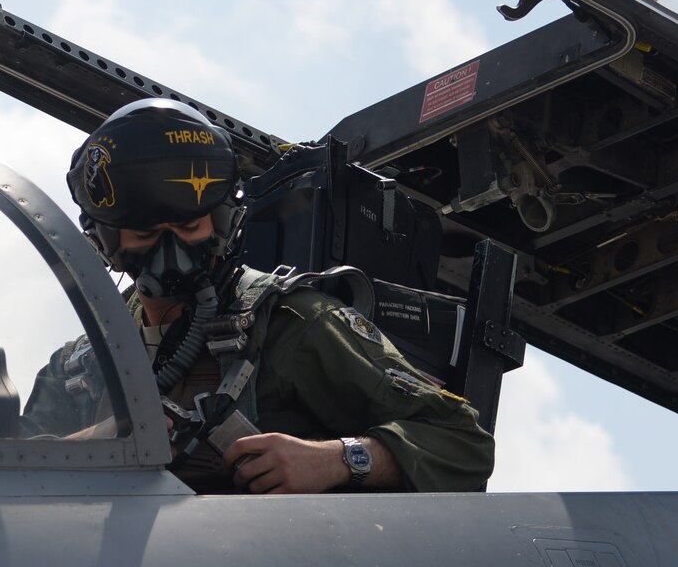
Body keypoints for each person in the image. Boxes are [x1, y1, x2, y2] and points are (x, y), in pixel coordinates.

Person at [25, 99, 493, 494]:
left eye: (189, 227)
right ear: (106, 240)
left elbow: (462, 442)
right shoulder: (80, 369)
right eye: (146, 234)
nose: (172, 253)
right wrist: (93, 446)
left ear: (223, 222)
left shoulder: (293, 325)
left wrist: (337, 459)